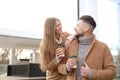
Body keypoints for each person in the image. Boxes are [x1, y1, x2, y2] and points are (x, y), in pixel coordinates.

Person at [57, 15, 116, 80]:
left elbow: (112, 72)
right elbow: (59, 66)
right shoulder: (69, 45)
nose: (74, 28)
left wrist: (91, 73)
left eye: (77, 25)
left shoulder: (103, 47)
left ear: (86, 28)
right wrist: (66, 68)